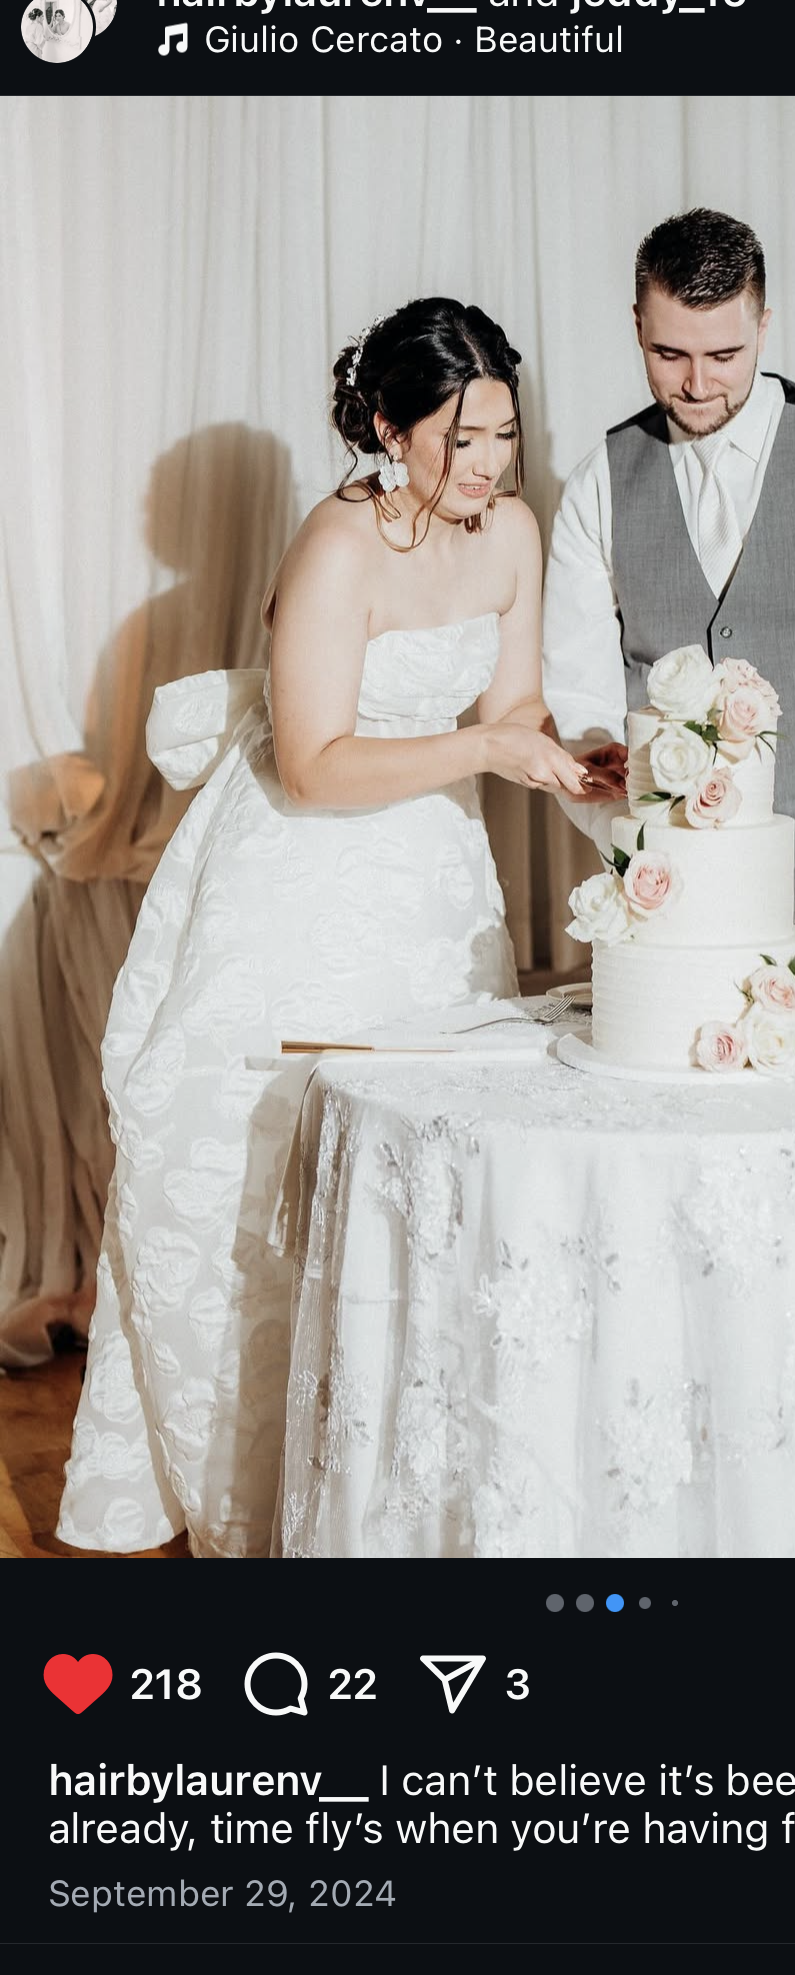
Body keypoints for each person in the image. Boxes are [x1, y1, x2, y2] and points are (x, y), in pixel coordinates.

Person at [57, 297, 592, 1557]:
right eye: (459, 438)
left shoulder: (513, 532)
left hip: (432, 888)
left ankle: (392, 1491)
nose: (488, 464)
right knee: (263, 1186)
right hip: (297, 882)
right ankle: (261, 1503)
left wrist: (570, 759)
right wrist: (484, 745)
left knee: (425, 1178)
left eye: (504, 433)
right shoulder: (336, 547)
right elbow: (312, 764)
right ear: (390, 427)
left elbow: (514, 700)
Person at [542, 207, 795, 991]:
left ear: (764, 323)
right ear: (635, 326)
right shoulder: (598, 482)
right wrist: (634, 857)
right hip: (665, 916)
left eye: (725, 353)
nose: (697, 383)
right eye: (668, 353)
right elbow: (580, 701)